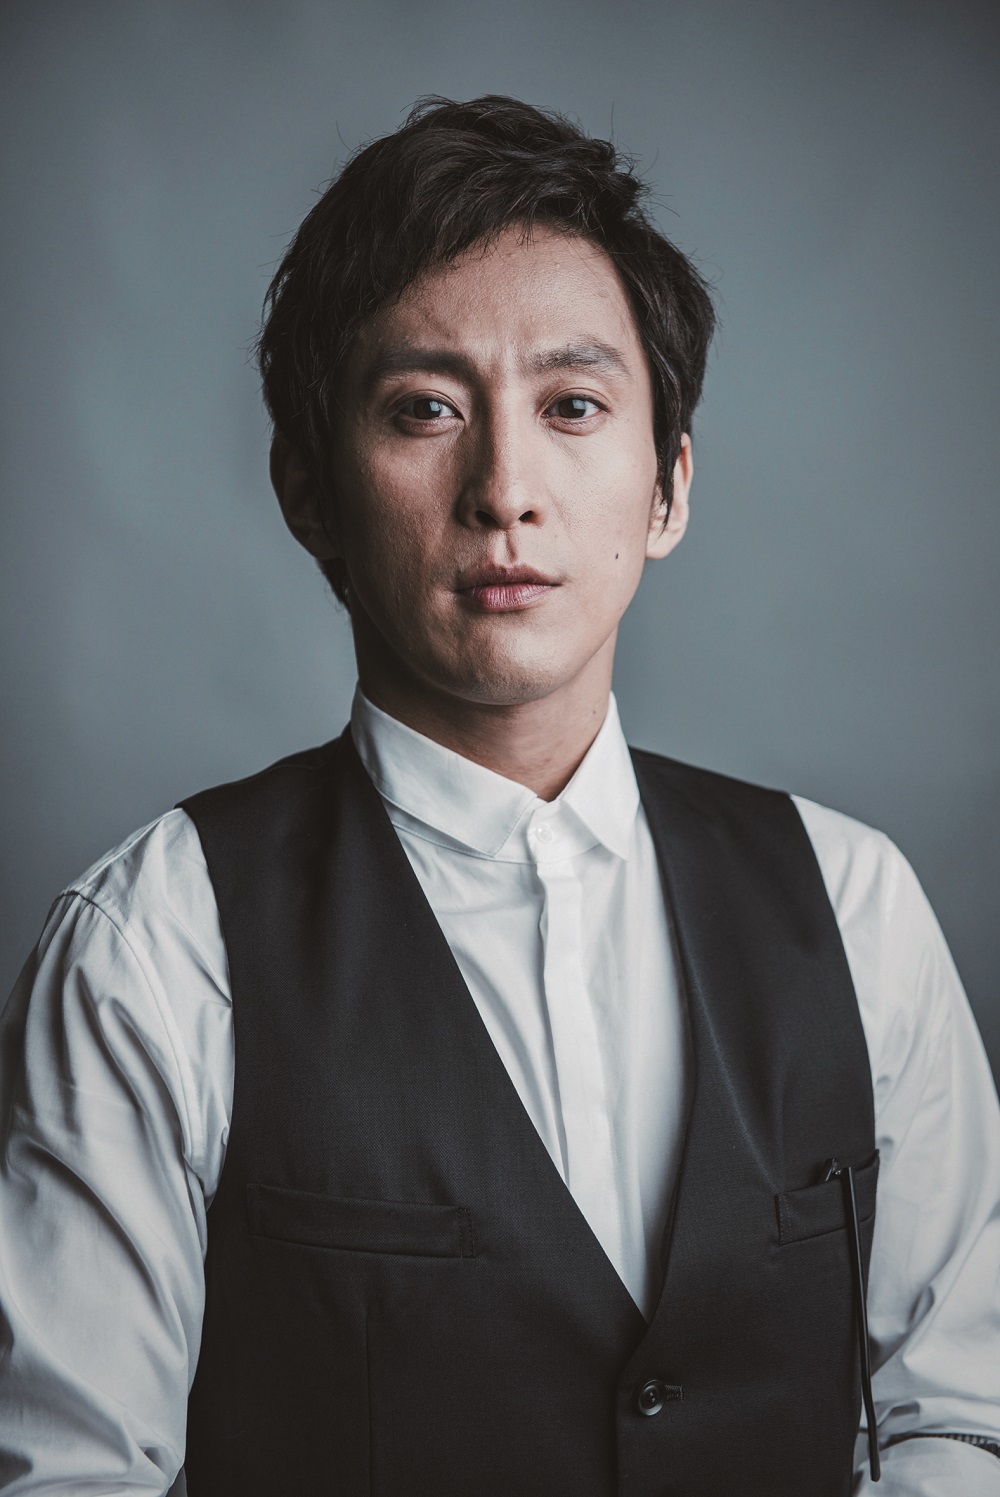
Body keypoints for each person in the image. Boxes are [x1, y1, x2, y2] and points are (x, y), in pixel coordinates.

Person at [0, 95, 998, 1497]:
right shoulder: (155, 947)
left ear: (668, 489)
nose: (505, 490)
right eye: (426, 410)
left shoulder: (856, 907)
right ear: (308, 490)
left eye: (573, 406)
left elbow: (960, 1418)